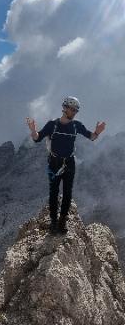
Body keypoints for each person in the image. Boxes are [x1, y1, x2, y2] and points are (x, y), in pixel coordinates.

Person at [26, 96, 106, 235]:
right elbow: (37, 138)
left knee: (67, 193)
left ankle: (62, 221)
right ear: (64, 108)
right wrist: (33, 130)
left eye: (76, 110)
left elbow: (91, 137)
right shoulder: (52, 125)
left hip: (69, 162)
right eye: (72, 109)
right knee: (53, 192)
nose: (74, 112)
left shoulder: (76, 125)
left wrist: (98, 132)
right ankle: (53, 222)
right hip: (54, 162)